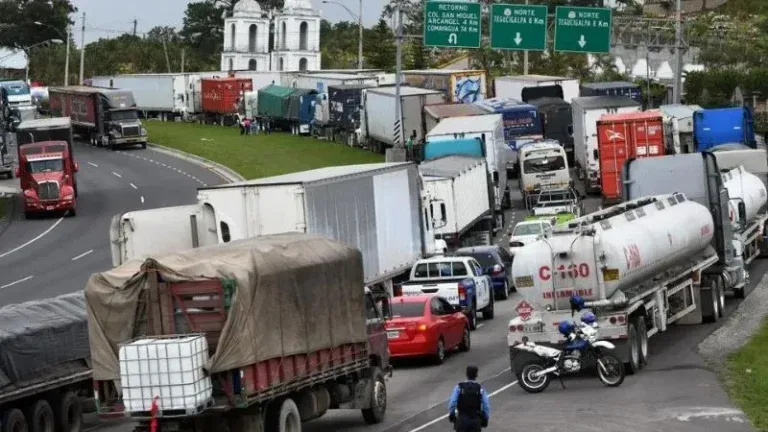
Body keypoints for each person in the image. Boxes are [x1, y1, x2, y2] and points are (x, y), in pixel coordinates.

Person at [448, 365, 490, 431]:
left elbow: (452, 402)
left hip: (462, 419)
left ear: (466, 374)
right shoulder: (480, 388)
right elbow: (486, 405)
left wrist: (452, 415)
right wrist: (485, 418)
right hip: (475, 420)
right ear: (476, 375)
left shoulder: (459, 387)